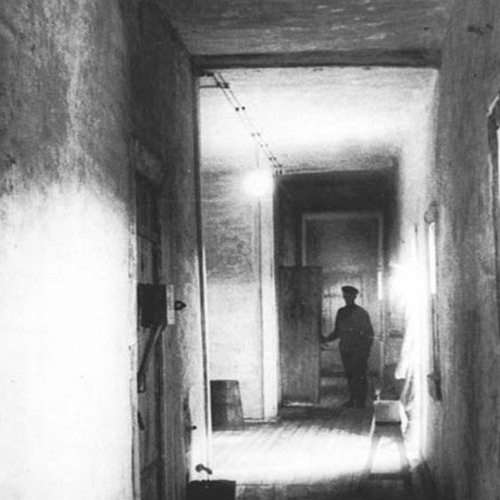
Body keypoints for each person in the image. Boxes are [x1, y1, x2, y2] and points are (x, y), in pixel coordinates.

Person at [322, 285, 374, 408]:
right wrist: (325, 339)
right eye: (345, 296)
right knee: (350, 374)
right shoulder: (341, 312)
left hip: (359, 349)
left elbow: (369, 333)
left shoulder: (361, 313)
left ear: (354, 297)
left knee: (360, 375)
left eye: (349, 296)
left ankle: (361, 402)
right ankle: (352, 399)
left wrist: (366, 350)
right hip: (346, 348)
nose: (347, 298)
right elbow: (337, 332)